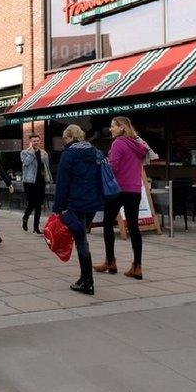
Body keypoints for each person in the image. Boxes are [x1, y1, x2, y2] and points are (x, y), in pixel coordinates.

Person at [53, 124, 105, 295]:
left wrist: (57, 207)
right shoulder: (95, 152)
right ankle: (84, 278)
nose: (64, 142)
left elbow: (62, 183)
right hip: (93, 203)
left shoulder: (69, 155)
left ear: (69, 137)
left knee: (81, 240)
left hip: (76, 202)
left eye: (64, 138)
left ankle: (87, 282)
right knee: (82, 237)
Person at [95, 116, 150, 280]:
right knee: (134, 228)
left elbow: (114, 167)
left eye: (113, 126)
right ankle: (137, 266)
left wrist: (104, 164)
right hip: (135, 190)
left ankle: (110, 262)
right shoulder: (138, 145)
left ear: (122, 128)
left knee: (107, 224)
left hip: (118, 190)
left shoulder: (118, 143)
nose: (110, 129)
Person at [21, 133, 53, 234]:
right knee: (32, 203)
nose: (36, 142)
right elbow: (26, 163)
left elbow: (46, 168)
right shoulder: (25, 152)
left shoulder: (44, 153)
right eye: (34, 141)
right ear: (30, 142)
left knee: (39, 204)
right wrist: (32, 152)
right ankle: (25, 217)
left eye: (37, 141)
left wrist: (48, 180)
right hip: (29, 182)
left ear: (40, 141)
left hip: (40, 181)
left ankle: (36, 227)